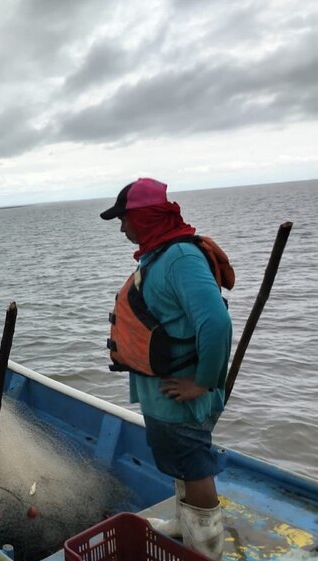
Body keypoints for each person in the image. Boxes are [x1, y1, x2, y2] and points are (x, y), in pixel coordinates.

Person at [100, 178, 233, 559]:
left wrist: (202, 383)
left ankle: (206, 549)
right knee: (180, 461)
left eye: (124, 219)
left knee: (193, 465)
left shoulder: (180, 258)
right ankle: (183, 522)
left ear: (142, 218)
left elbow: (216, 323)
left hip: (183, 394)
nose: (122, 227)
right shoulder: (159, 255)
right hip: (165, 394)